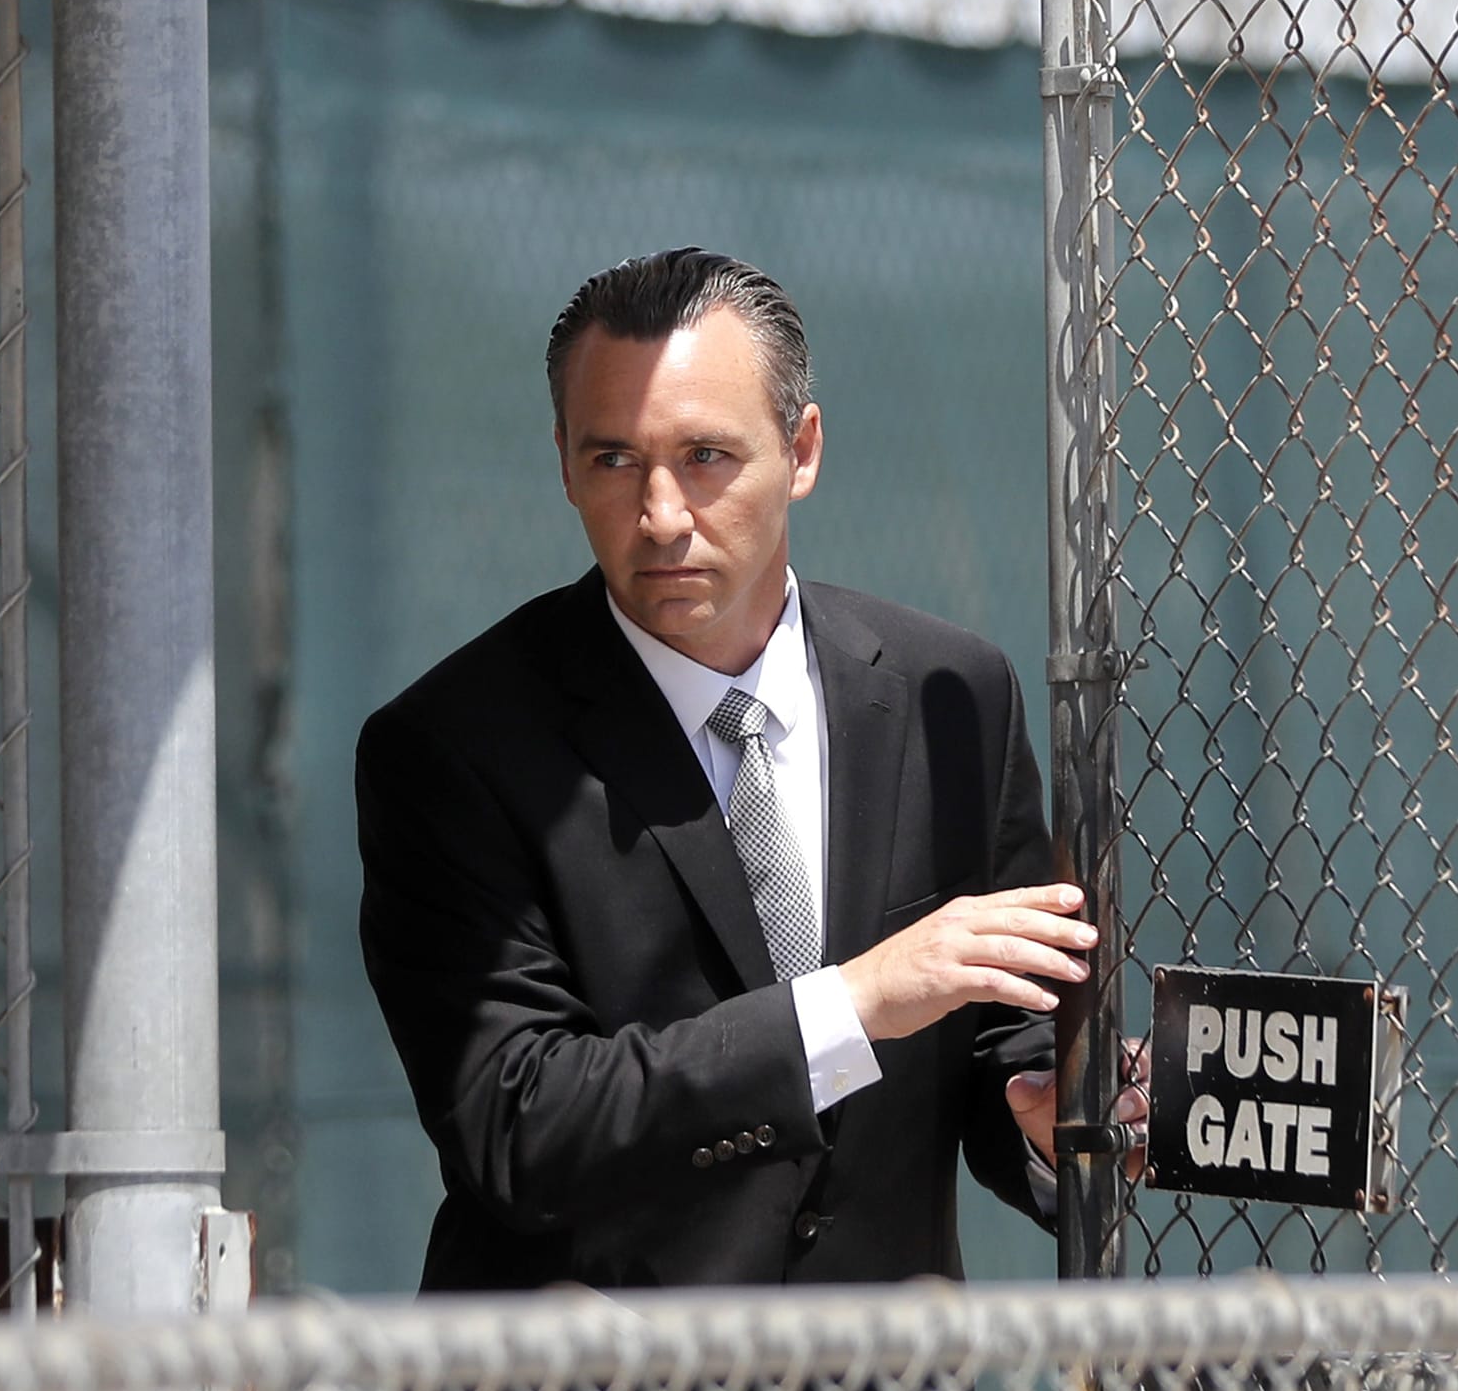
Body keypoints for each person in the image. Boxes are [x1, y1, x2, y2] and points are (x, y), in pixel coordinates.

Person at [356, 247, 1098, 1296]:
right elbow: (518, 1124)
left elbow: (993, 1037)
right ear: (563, 463)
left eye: (705, 456)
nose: (661, 515)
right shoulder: (453, 746)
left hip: (882, 1390)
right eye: (615, 460)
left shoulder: (951, 694)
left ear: (802, 450)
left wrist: (1046, 1119)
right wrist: (853, 1002)